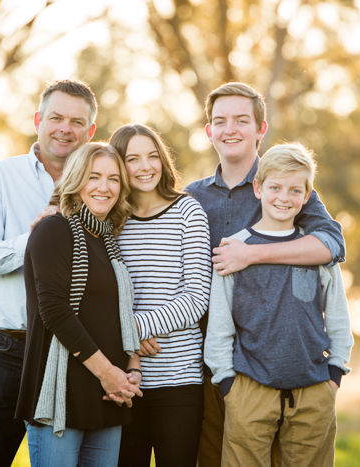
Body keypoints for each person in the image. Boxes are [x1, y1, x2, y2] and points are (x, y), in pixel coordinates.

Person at [184, 82, 347, 467]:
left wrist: (250, 254)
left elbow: (331, 246)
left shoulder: (283, 181)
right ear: (209, 132)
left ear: (260, 128)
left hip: (277, 361)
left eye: (242, 120)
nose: (230, 129)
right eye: (220, 121)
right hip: (211, 357)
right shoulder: (192, 196)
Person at [0, 80, 98, 466]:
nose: (64, 129)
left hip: (74, 353)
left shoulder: (102, 184)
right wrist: (33, 240)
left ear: (90, 131)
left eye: (76, 121)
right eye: (55, 118)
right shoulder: (1, 176)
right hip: (9, 350)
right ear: (38, 120)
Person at [15, 142, 142, 467]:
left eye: (114, 179)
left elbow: (118, 313)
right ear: (75, 179)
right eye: (93, 176)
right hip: (61, 394)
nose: (104, 187)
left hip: (108, 396)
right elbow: (55, 311)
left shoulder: (108, 239)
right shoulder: (53, 229)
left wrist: (131, 368)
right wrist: (108, 373)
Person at [108, 124, 211, 467]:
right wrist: (127, 337)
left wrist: (133, 327)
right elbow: (100, 295)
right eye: (133, 158)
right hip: (121, 378)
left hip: (179, 379)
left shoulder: (188, 212)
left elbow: (196, 298)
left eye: (153, 156)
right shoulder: (110, 220)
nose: (145, 166)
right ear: (118, 165)